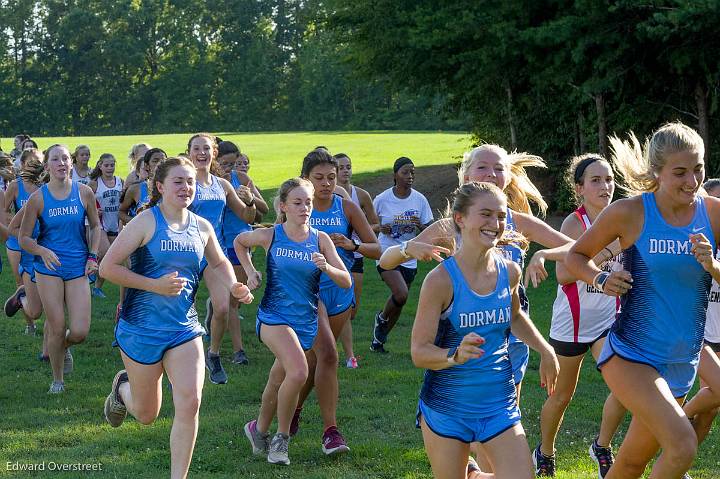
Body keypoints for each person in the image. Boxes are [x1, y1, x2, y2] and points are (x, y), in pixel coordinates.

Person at [565, 122, 719, 478]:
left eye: (698, 169)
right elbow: (576, 257)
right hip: (632, 355)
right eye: (680, 172)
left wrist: (712, 265)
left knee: (632, 463)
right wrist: (601, 278)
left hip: (683, 361)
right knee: (682, 445)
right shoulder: (630, 212)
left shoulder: (713, 214)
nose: (692, 181)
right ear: (657, 172)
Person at [100, 156, 253, 479]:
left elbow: (219, 262)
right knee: (145, 414)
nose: (186, 187)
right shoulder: (145, 223)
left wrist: (234, 285)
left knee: (190, 402)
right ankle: (121, 387)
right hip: (141, 329)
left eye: (191, 182)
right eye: (178, 182)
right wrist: (153, 285)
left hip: (184, 329)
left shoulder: (202, 227)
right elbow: (107, 268)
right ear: (160, 186)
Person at [411, 181, 559, 479]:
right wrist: (455, 354)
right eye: (486, 214)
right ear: (460, 218)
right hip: (447, 409)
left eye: (502, 216)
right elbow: (419, 352)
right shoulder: (440, 281)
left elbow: (514, 316)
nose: (496, 224)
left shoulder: (510, 271)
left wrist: (545, 349)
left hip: (498, 406)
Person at [235, 177, 351, 465]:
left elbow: (346, 281)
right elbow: (240, 241)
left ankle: (257, 429)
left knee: (278, 379)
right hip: (273, 317)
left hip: (305, 322)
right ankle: (281, 440)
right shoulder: (272, 234)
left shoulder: (320, 239)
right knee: (298, 372)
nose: (304, 208)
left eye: (308, 203)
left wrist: (328, 268)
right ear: (284, 206)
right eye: (297, 203)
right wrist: (250, 273)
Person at [535, 154, 627, 477]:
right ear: (580, 189)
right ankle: (544, 452)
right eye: (596, 181)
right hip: (571, 325)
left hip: (608, 323)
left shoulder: (623, 217)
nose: (605, 187)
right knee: (561, 397)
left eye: (609, 179)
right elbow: (564, 274)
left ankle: (601, 446)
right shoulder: (575, 223)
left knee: (625, 388)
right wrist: (610, 251)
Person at [290, 148, 380, 454]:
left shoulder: (346, 208)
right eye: (319, 178)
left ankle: (292, 413)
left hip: (340, 288)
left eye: (331, 177)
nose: (326, 183)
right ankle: (331, 432)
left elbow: (376, 249)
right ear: (306, 179)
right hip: (307, 291)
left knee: (315, 361)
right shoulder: (298, 207)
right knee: (328, 355)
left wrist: (352, 245)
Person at [19, 144, 101, 393]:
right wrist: (42, 251)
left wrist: (93, 256)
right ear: (48, 166)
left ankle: (61, 346)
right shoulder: (38, 199)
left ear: (71, 163)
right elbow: (23, 238)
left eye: (65, 158)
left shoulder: (84, 192)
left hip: (77, 267)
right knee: (56, 325)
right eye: (56, 159)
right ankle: (57, 380)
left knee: (79, 331)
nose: (62, 163)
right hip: (48, 269)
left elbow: (96, 227)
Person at [186, 133, 256, 385]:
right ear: (189, 152)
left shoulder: (222, 185)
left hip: (214, 253)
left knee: (223, 307)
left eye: (206, 148)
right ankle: (174, 361)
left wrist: (249, 200)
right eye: (196, 148)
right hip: (184, 253)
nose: (202, 153)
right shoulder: (183, 183)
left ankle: (213, 354)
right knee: (181, 309)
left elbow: (247, 216)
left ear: (214, 152)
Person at [371, 156, 434, 353]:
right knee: (401, 293)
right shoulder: (382, 199)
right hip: (387, 252)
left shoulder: (419, 199)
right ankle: (381, 319)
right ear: (395, 175)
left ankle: (378, 342)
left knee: (400, 301)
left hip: (410, 257)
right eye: (405, 172)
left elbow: (430, 229)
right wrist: (382, 228)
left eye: (412, 172)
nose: (410, 176)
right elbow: (367, 226)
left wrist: (419, 226)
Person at [216, 141, 268, 365]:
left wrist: (249, 199)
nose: (229, 168)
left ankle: (235, 348)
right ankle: (237, 350)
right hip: (216, 244)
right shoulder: (209, 184)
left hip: (240, 244)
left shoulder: (242, 180)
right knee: (229, 301)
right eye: (224, 164)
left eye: (233, 163)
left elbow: (263, 211)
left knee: (235, 300)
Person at [335, 152, 379, 368]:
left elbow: (376, 225)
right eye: (341, 167)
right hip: (328, 261)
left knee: (350, 311)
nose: (345, 171)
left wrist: (356, 232)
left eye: (348, 167)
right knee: (336, 309)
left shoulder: (359, 196)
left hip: (355, 255)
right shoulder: (315, 198)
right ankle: (347, 355)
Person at [4, 149, 42, 309]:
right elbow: (4, 211)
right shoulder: (15, 185)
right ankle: (30, 325)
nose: (34, 167)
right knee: (22, 284)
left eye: (38, 163)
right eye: (30, 164)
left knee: (41, 283)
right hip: (17, 242)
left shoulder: (45, 185)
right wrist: (21, 230)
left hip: (40, 241)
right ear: (23, 165)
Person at [88, 153, 124, 298]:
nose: (110, 168)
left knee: (111, 258)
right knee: (104, 252)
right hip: (99, 223)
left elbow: (125, 202)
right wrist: (94, 210)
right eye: (107, 165)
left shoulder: (120, 181)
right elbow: (85, 203)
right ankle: (89, 269)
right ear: (100, 166)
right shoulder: (94, 184)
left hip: (115, 223)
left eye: (112, 165)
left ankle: (97, 287)